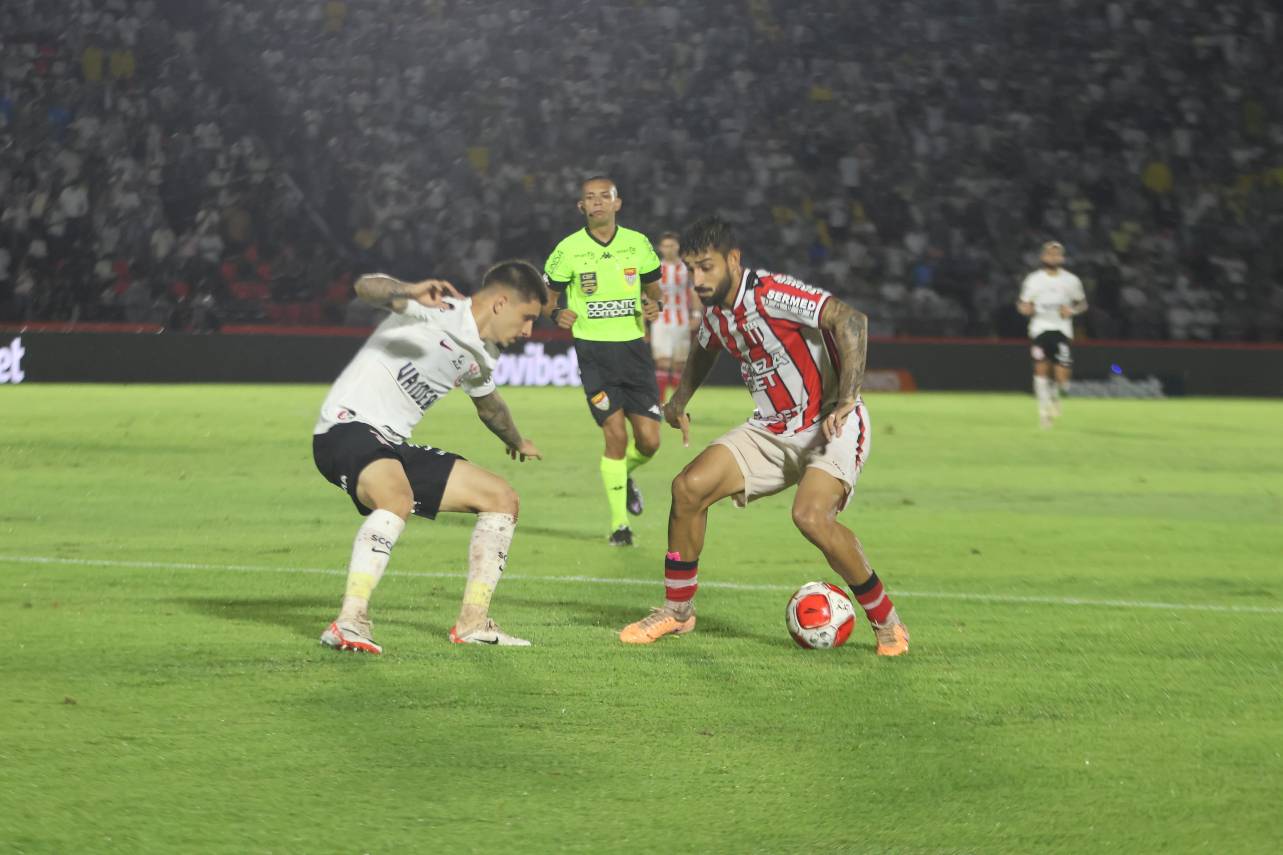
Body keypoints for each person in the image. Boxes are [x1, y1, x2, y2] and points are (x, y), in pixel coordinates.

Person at [619, 216, 910, 656]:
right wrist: (679, 399)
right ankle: (677, 613)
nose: (697, 279)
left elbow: (851, 320)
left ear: (733, 260)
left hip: (829, 421)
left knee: (811, 517)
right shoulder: (717, 312)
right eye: (691, 269)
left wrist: (848, 397)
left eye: (706, 267)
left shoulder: (773, 293)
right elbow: (705, 343)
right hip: (770, 428)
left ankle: (887, 621)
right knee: (688, 488)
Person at [312, 260, 547, 652]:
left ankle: (472, 623)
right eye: (527, 318)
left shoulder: (484, 355)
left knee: (501, 499)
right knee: (396, 499)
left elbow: (490, 407)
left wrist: (518, 440)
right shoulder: (436, 310)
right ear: (501, 303)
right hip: (345, 428)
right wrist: (408, 289)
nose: (528, 331)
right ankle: (349, 621)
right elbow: (366, 287)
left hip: (390, 443)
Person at [544, 176, 663, 546]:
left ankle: (623, 474)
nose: (597, 203)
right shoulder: (568, 250)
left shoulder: (638, 244)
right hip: (594, 354)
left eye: (604, 197)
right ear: (581, 207)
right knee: (615, 436)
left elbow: (655, 291)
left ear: (617, 203)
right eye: (589, 198)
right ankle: (619, 526)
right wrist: (555, 314)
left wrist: (655, 305)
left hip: (634, 352)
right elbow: (547, 297)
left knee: (650, 442)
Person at [1017, 241, 1087, 429]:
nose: (1053, 257)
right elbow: (1022, 304)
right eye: (1049, 254)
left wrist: (1071, 311)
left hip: (1062, 330)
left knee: (1063, 378)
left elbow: (1082, 304)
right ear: (1043, 257)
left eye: (1057, 255)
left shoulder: (1071, 281)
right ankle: (1043, 414)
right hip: (1039, 329)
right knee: (1040, 369)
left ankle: (1056, 394)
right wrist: (1025, 309)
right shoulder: (1033, 280)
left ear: (1062, 258)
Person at [650, 231, 700, 402]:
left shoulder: (687, 268)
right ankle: (660, 403)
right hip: (660, 319)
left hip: (682, 320)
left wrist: (696, 314)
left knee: (679, 365)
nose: (669, 249)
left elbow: (695, 291)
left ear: (678, 247)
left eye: (672, 245)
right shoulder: (654, 267)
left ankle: (677, 405)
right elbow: (646, 293)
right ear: (660, 248)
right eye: (666, 246)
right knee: (662, 363)